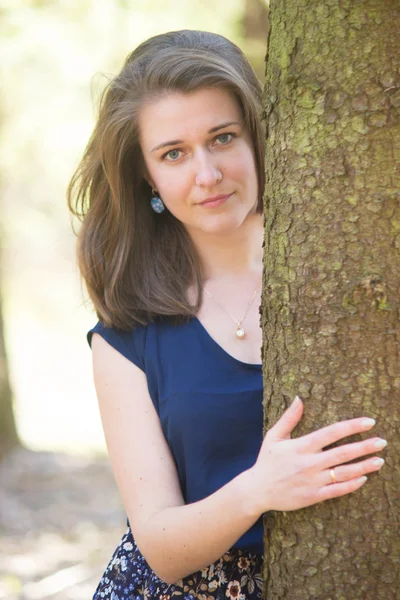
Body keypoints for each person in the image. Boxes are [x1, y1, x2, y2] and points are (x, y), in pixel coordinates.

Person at [67, 30, 387, 600]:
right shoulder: (126, 333)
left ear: (258, 135)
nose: (207, 175)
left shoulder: (356, 266)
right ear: (148, 178)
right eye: (174, 153)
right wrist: (259, 490)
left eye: (222, 138)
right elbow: (159, 546)